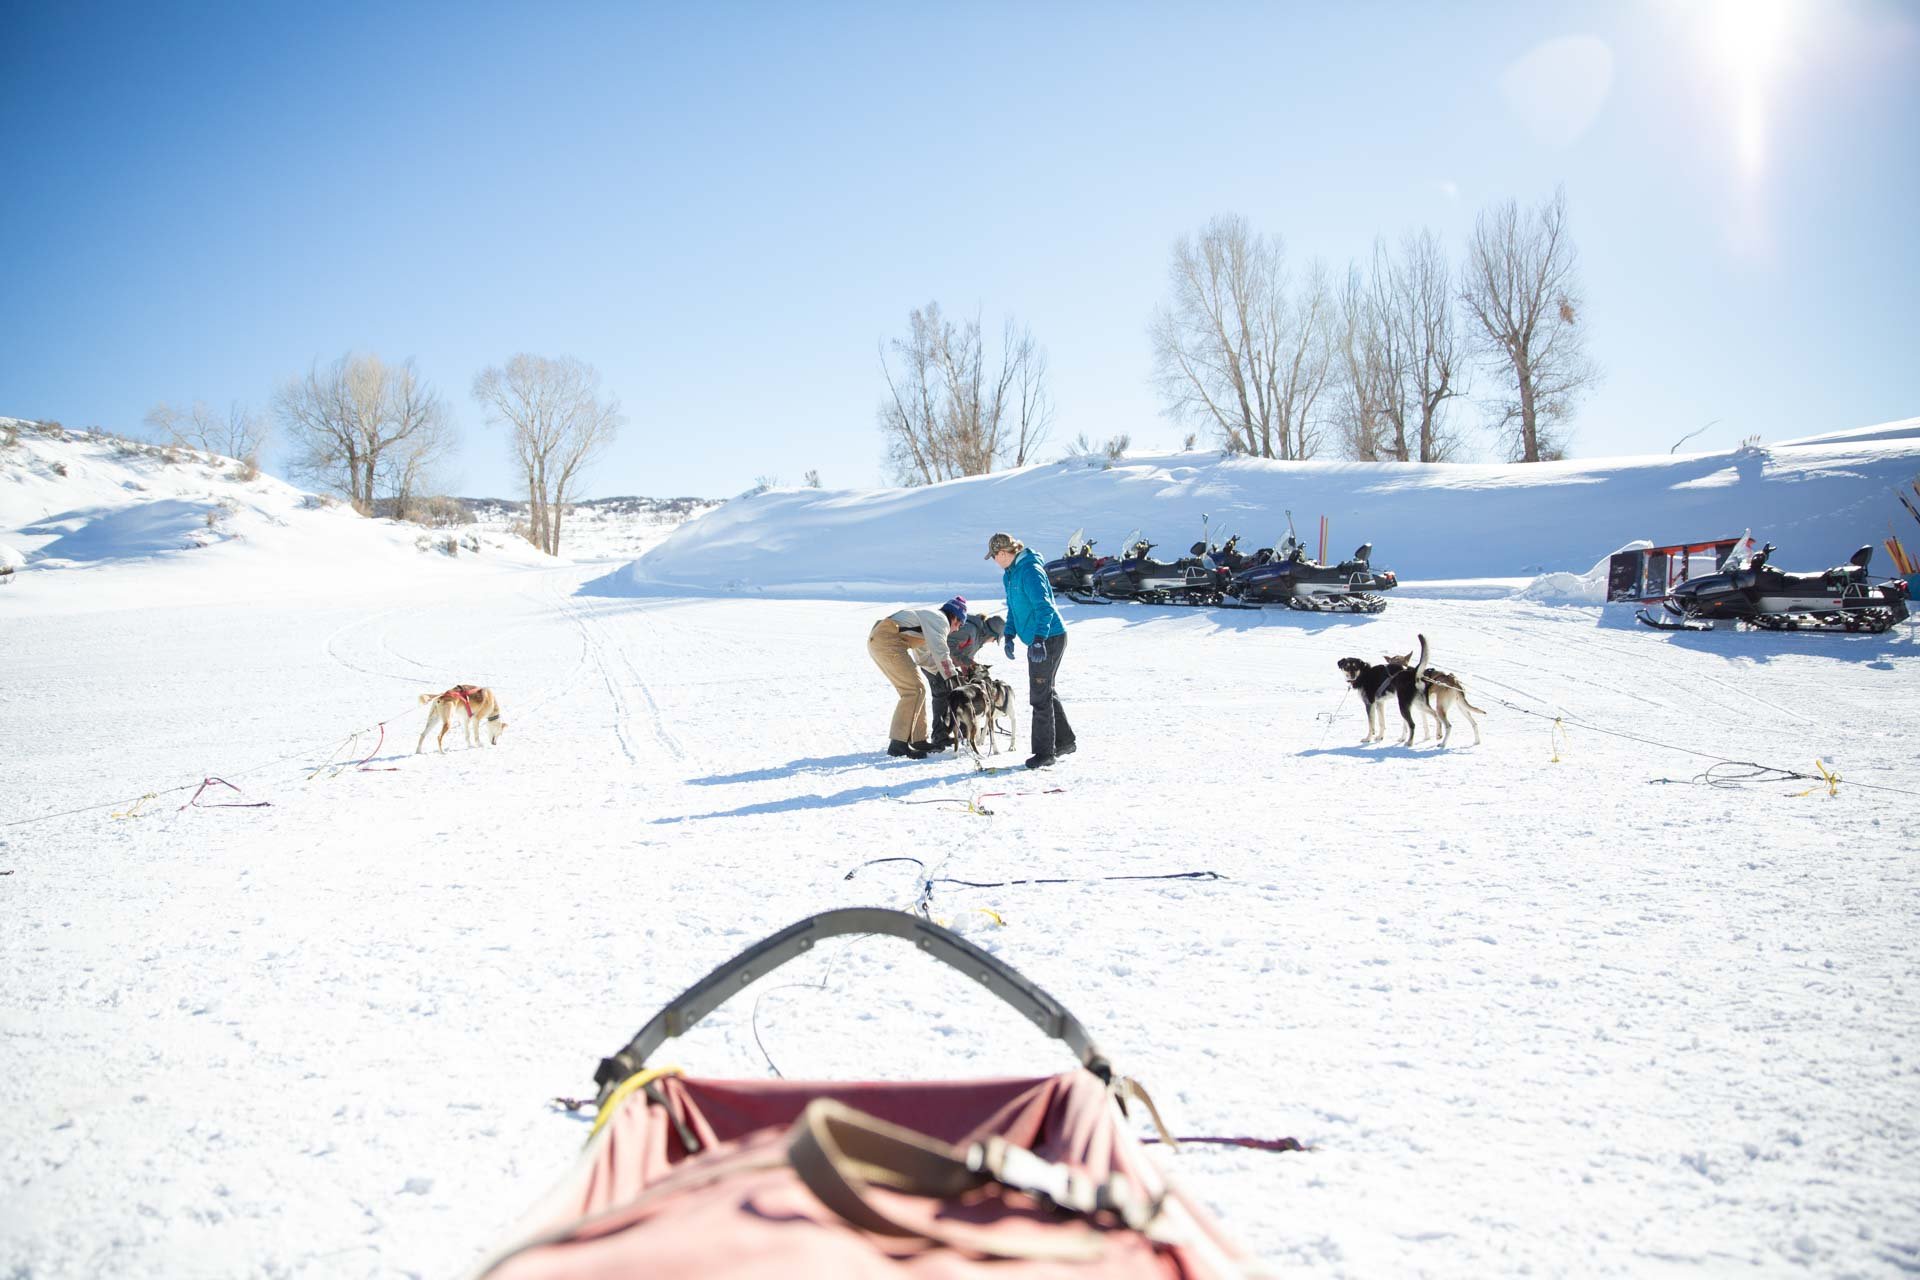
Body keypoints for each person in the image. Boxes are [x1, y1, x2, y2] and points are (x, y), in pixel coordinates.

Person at [986, 532, 1074, 769]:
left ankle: (1045, 754)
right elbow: (1014, 609)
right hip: (1038, 639)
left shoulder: (1029, 571)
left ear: (1003, 553)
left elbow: (1045, 608)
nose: (994, 561)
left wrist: (1038, 640)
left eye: (994, 556)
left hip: (1049, 637)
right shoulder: (1011, 574)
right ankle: (1065, 741)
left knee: (1039, 695)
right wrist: (1010, 634)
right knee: (1046, 689)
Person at [868, 598, 965, 758]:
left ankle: (918, 739)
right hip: (888, 640)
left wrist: (943, 676)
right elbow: (941, 650)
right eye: (959, 625)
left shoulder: (929, 622)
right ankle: (898, 744)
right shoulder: (940, 620)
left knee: (918, 690)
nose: (956, 629)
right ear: (954, 617)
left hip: (882, 639)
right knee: (913, 690)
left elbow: (924, 658)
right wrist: (952, 677)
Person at [926, 608, 1006, 751]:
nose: (994, 642)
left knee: (960, 693)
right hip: (934, 662)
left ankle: (965, 731)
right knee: (942, 695)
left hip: (945, 664)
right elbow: (947, 646)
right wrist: (966, 662)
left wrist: (967, 669)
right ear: (991, 633)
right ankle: (939, 736)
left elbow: (962, 654)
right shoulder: (970, 630)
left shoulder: (978, 636)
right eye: (996, 639)